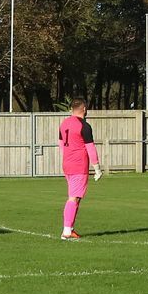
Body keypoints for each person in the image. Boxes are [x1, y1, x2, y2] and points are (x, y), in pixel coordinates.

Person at [57, 100, 99, 240]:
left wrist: (68, 157)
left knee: (76, 197)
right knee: (73, 197)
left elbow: (61, 144)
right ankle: (67, 231)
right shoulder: (84, 126)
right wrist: (97, 167)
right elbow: (90, 147)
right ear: (85, 109)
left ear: (71, 109)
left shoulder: (64, 124)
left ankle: (70, 228)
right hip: (79, 166)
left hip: (67, 165)